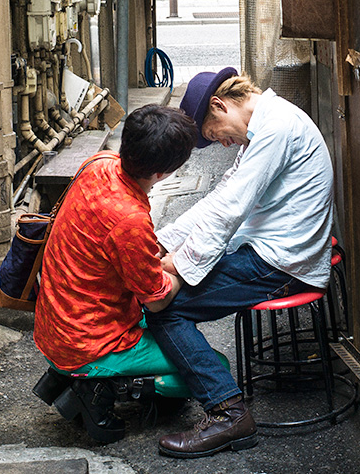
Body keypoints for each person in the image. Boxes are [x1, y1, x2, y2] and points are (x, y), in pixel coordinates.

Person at [146, 68, 334, 458]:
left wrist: (179, 268)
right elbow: (219, 199)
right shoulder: (265, 124)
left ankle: (228, 414)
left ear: (220, 105)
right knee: (163, 290)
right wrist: (158, 242)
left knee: (166, 309)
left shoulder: (276, 128)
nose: (225, 143)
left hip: (284, 263)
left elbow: (230, 211)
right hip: (272, 250)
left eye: (216, 134)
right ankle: (190, 390)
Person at [32, 104, 197, 443]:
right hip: (89, 343)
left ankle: (70, 378)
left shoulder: (98, 163)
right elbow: (156, 300)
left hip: (54, 326)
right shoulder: (130, 219)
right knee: (208, 368)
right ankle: (97, 388)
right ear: (164, 172)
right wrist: (181, 265)